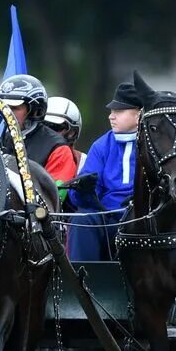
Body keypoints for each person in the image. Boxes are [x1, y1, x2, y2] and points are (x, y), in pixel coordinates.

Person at [65, 79, 142, 261]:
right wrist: (84, 191)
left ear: (139, 115)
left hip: (142, 216)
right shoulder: (101, 145)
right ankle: (83, 282)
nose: (111, 116)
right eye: (111, 111)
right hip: (107, 217)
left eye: (119, 111)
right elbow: (82, 199)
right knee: (82, 220)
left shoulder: (152, 143)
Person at [0, 73, 76, 183]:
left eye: (14, 108)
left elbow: (55, 196)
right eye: (4, 107)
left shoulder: (58, 150)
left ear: (34, 111)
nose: (7, 112)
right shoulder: (0, 143)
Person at [44, 97, 85, 173]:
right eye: (43, 126)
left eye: (55, 127)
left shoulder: (84, 164)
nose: (47, 132)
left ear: (72, 133)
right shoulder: (22, 156)